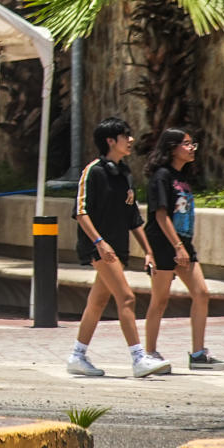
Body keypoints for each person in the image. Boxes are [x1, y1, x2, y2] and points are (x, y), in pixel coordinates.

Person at [69, 117, 168, 378]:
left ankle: (77, 356)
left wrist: (148, 250)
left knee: (98, 301)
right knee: (127, 297)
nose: (131, 140)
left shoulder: (124, 173)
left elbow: (133, 217)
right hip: (100, 247)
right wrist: (99, 243)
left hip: (119, 248)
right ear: (110, 141)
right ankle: (138, 358)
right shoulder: (94, 171)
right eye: (126, 136)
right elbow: (80, 212)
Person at [142, 129, 224, 371]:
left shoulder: (182, 177)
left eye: (193, 144)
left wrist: (183, 246)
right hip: (163, 244)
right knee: (160, 300)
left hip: (184, 245)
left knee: (201, 293)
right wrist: (177, 246)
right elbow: (160, 215)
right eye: (187, 144)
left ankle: (198, 354)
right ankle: (149, 353)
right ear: (172, 147)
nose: (192, 148)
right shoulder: (161, 176)